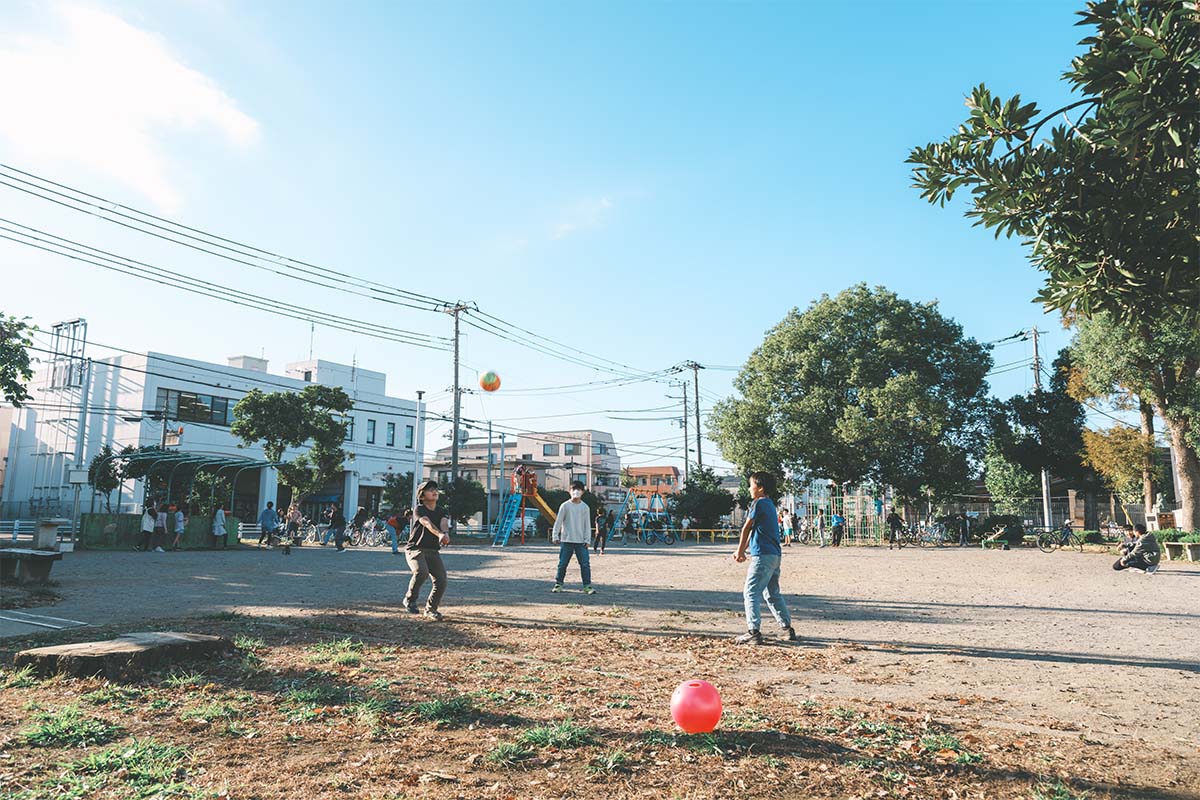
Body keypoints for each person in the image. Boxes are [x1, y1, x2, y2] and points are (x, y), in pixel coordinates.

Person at [732, 471, 796, 645]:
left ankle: (753, 631)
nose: (749, 488)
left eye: (750, 484)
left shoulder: (757, 503)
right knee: (772, 593)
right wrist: (743, 549)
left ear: (760, 488)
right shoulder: (770, 504)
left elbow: (747, 528)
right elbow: (755, 532)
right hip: (774, 555)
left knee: (751, 592)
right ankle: (786, 629)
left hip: (762, 555)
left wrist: (739, 551)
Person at [405, 480, 450, 618]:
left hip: (432, 550)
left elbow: (443, 523)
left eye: (435, 489)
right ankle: (410, 599)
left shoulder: (442, 510)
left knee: (441, 580)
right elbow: (427, 523)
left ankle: (431, 609)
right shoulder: (419, 509)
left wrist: (445, 533)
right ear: (422, 495)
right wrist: (440, 534)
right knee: (421, 572)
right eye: (430, 490)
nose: (434, 491)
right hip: (415, 549)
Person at [552, 480, 596, 594]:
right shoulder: (565, 506)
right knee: (562, 564)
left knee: (585, 564)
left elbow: (587, 525)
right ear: (569, 491)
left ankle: (587, 586)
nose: (576, 492)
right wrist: (555, 535)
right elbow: (558, 521)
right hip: (566, 540)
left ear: (582, 492)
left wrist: (587, 539)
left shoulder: (585, 507)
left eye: (579, 490)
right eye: (573, 489)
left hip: (581, 541)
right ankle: (558, 584)